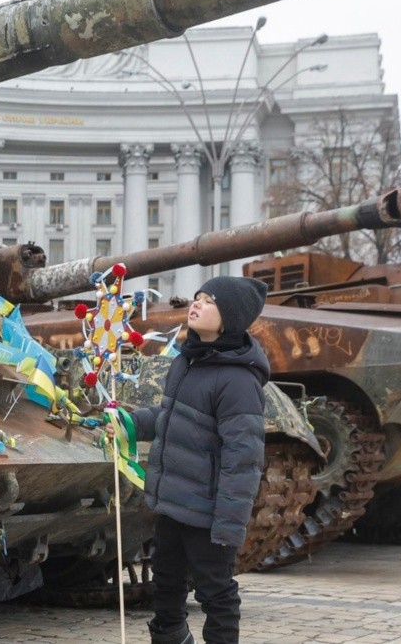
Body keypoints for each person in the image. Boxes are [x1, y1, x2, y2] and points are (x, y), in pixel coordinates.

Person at [132, 276, 269, 644]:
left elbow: (244, 460)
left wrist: (228, 526)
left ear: (231, 317)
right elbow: (170, 419)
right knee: (165, 584)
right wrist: (129, 422)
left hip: (208, 513)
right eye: (197, 297)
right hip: (173, 504)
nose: (196, 303)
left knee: (215, 592)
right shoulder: (187, 362)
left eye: (209, 301)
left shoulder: (238, 381)